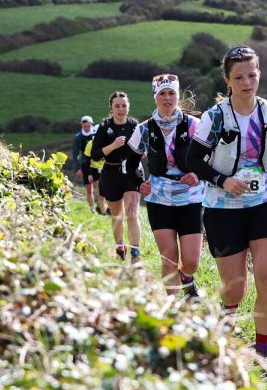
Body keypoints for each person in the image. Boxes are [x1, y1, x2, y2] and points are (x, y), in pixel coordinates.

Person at [186, 45, 267, 359]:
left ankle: (263, 351)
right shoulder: (214, 118)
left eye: (251, 75)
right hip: (223, 209)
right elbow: (193, 159)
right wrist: (224, 180)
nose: (246, 82)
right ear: (227, 80)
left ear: (259, 75)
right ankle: (225, 326)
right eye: (238, 77)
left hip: (265, 203)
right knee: (235, 287)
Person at [127, 73, 204, 296]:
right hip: (159, 197)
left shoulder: (194, 126)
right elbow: (130, 164)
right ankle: (172, 312)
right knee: (168, 258)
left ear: (177, 96)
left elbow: (211, 158)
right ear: (155, 97)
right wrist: (139, 183)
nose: (167, 98)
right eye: (162, 93)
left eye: (172, 93)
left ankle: (187, 278)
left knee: (190, 262)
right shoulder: (143, 129)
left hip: (191, 197)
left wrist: (197, 174)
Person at [90, 92, 143, 263]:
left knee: (132, 214)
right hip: (111, 172)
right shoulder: (104, 127)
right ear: (111, 108)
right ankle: (119, 246)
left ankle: (135, 252)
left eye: (124, 106)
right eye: (117, 106)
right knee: (117, 215)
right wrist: (113, 145)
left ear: (128, 107)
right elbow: (95, 155)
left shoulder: (135, 125)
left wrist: (142, 152)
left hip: (132, 172)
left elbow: (145, 148)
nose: (121, 109)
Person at [72, 115, 98, 213]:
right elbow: (75, 154)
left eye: (88, 126)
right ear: (82, 125)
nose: (87, 128)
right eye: (85, 126)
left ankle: (101, 206)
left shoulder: (96, 134)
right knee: (89, 189)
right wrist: (77, 168)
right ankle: (92, 209)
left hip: (97, 163)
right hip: (85, 164)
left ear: (91, 124)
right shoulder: (78, 137)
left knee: (99, 187)